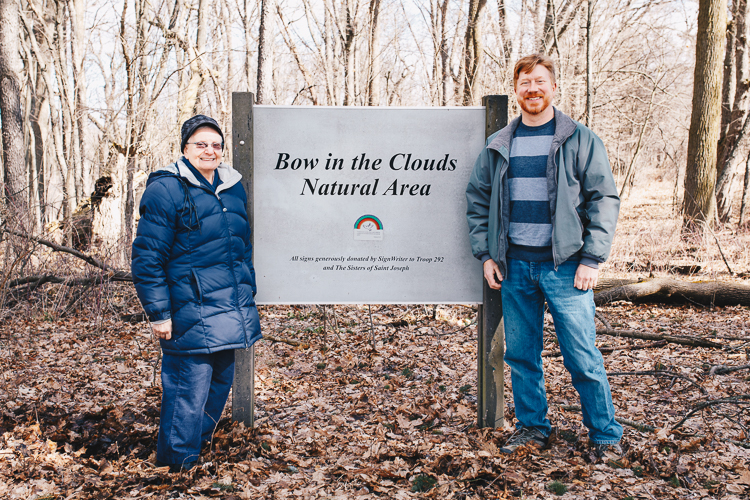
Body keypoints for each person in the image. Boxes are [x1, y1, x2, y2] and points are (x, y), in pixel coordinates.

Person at [465, 54, 623, 459]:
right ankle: (533, 428)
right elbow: (478, 200)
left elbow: (603, 199)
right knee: (521, 355)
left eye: (539, 81)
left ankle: (604, 435)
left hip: (566, 267)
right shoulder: (500, 143)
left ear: (553, 86)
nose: (532, 89)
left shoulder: (579, 139)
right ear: (516, 89)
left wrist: (592, 258)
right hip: (514, 266)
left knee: (581, 354)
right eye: (525, 83)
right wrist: (485, 255)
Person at [131, 115, 262, 472]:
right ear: (185, 149)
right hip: (190, 310)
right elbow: (148, 257)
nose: (210, 150)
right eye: (201, 144)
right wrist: (159, 313)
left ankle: (191, 448)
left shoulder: (232, 187)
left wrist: (247, 292)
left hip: (229, 310)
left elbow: (239, 247)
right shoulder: (166, 189)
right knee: (187, 393)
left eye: (216, 144)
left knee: (218, 387)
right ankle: (178, 466)